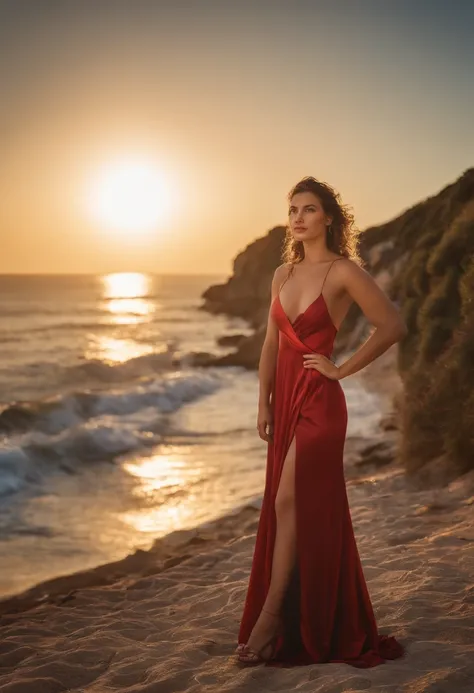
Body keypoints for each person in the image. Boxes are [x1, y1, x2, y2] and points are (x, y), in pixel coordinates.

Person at [235, 177, 407, 667]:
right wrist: (263, 401)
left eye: (309, 209)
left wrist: (341, 368)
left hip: (319, 400)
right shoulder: (282, 274)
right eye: (292, 209)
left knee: (289, 499)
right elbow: (271, 344)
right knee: (288, 505)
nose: (298, 218)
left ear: (329, 218)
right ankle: (291, 616)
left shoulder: (343, 272)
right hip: (284, 400)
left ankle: (270, 620)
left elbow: (393, 324)